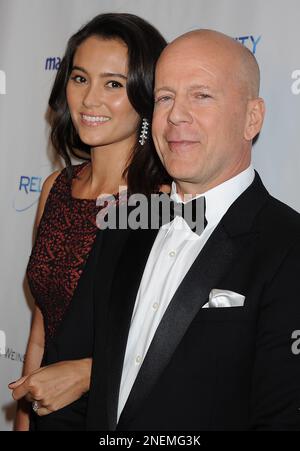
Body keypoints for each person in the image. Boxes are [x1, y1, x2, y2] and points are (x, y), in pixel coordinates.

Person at [82, 30, 300, 430]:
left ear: (252, 118)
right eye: (165, 97)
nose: (176, 115)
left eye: (201, 95)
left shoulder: (289, 247)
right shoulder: (124, 222)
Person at [8, 13, 169, 430]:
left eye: (113, 84)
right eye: (80, 78)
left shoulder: (162, 202)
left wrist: (90, 372)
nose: (89, 99)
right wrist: (25, 422)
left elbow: (179, 346)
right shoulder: (56, 189)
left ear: (145, 94)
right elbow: (42, 330)